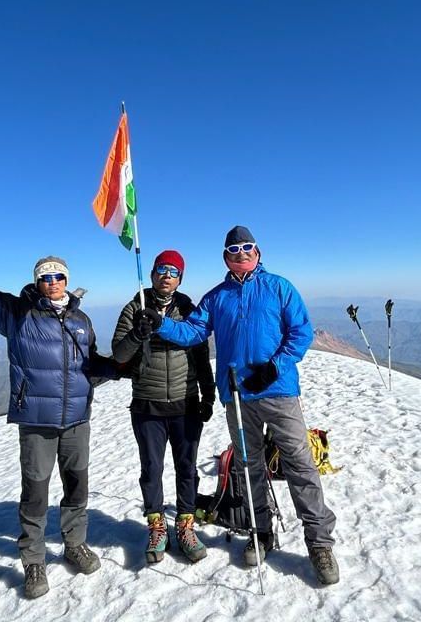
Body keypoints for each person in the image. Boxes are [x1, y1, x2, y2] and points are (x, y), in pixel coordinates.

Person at [136, 225, 339, 585]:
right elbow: (194, 331)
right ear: (226, 257)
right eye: (234, 249)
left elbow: (301, 332)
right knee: (248, 467)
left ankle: (319, 543)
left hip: (278, 392)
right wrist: (160, 325)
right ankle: (261, 532)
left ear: (258, 253)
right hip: (237, 396)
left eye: (248, 248)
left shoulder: (278, 286)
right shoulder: (217, 297)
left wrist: (276, 366)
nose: (242, 253)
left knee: (300, 464)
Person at [0, 226, 116, 600]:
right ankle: (33, 561)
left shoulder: (82, 320)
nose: (52, 282)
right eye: (44, 277)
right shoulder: (18, 314)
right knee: (35, 492)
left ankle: (74, 543)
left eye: (58, 276)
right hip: (36, 421)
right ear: (37, 282)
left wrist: (119, 367)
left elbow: (89, 365)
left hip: (78, 419)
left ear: (67, 280)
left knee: (77, 486)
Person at [111, 250, 215, 564]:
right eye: (161, 269)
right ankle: (157, 527)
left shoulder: (188, 309)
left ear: (180, 278)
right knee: (152, 470)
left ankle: (185, 525)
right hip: (147, 405)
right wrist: (136, 333)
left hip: (186, 404)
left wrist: (207, 395)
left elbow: (201, 356)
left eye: (173, 271)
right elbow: (119, 354)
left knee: (187, 468)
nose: (166, 275)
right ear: (153, 273)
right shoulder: (135, 307)